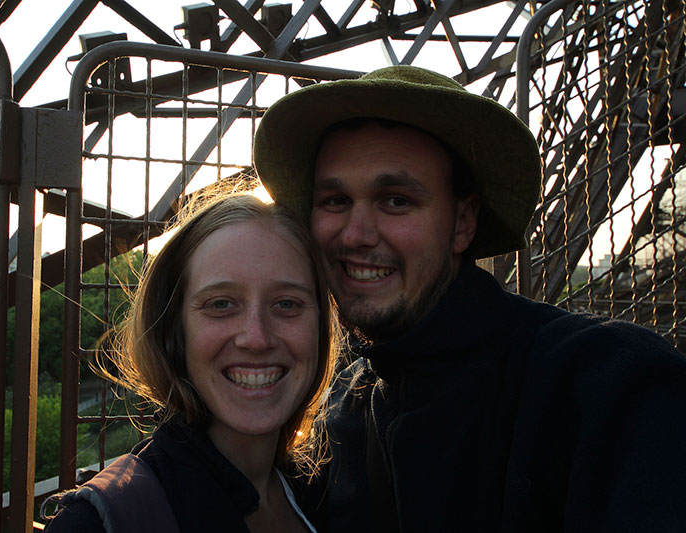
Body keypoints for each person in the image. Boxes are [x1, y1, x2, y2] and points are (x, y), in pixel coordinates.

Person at [253, 66, 686, 531]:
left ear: (463, 223)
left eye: (396, 200)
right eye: (335, 201)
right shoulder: (342, 412)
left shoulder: (609, 384)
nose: (355, 234)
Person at [44, 193, 337, 533]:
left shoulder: (328, 493)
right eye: (221, 304)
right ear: (175, 331)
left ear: (320, 326)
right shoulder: (95, 526)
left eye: (287, 304)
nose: (256, 338)